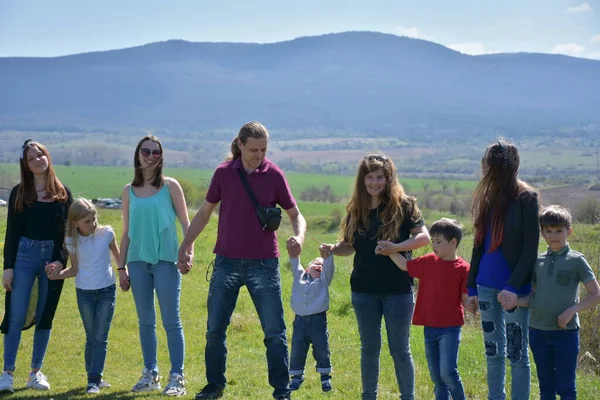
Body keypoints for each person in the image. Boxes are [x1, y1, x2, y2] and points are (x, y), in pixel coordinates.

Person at [178, 121, 306, 400]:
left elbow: (296, 215)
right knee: (214, 330)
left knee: (274, 332)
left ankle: (282, 391)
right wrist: (186, 244)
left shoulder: (275, 175)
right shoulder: (223, 173)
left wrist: (300, 237)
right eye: (253, 149)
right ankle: (214, 385)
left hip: (264, 265)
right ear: (240, 145)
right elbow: (204, 212)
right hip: (226, 262)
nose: (259, 155)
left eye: (263, 150)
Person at [320, 154, 430, 400]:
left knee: (400, 350)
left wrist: (395, 247)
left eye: (379, 177)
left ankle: (407, 397)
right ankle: (368, 396)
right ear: (362, 180)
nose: (374, 182)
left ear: (388, 178)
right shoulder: (356, 209)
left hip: (398, 290)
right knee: (369, 349)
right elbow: (350, 246)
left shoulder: (405, 205)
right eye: (369, 177)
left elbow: (424, 238)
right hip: (363, 290)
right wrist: (332, 249)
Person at [466, 140, 540, 400]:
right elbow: (478, 245)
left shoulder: (526, 198)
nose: (485, 167)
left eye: (490, 164)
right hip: (485, 286)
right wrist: (471, 287)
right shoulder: (486, 199)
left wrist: (513, 287)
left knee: (517, 355)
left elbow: (531, 248)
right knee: (492, 351)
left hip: (514, 290)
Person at [118, 135, 190, 396]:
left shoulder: (170, 186)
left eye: (156, 152)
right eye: (146, 151)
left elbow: (185, 222)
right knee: (145, 321)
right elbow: (126, 232)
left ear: (161, 157)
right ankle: (151, 374)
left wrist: (187, 251)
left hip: (166, 261)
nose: (150, 156)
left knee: (171, 321)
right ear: (138, 154)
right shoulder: (128, 191)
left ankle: (177, 377)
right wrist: (121, 267)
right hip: (137, 262)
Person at [0, 139, 73, 394]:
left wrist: (60, 261)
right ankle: (7, 373)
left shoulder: (63, 193)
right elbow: (11, 233)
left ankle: (35, 373)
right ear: (26, 165)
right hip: (24, 255)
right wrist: (7, 267)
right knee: (16, 314)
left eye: (40, 154)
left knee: (45, 315)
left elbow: (66, 234)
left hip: (52, 259)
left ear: (47, 156)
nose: (37, 160)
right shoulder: (19, 192)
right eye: (32, 158)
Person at [513, 205, 600, 400]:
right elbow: (534, 298)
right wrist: (514, 301)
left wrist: (572, 310)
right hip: (537, 332)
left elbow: (596, 294)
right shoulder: (537, 261)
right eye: (549, 231)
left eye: (559, 231)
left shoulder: (577, 261)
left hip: (565, 334)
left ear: (568, 231)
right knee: (546, 389)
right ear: (542, 233)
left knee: (567, 387)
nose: (554, 236)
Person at [45, 198, 129, 394]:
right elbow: (74, 269)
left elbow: (118, 258)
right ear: (75, 223)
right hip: (84, 293)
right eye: (87, 221)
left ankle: (93, 380)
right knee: (91, 336)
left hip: (107, 291)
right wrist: (57, 275)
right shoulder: (70, 241)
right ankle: (94, 376)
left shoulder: (107, 233)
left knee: (100, 337)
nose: (92, 224)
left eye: (94, 219)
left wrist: (124, 273)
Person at [381, 218, 470, 400]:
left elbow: (465, 299)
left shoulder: (463, 269)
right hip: (430, 328)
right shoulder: (428, 261)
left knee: (448, 373)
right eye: (433, 241)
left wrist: (473, 305)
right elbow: (405, 265)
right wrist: (389, 250)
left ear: (453, 242)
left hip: (450, 328)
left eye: (438, 242)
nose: (433, 246)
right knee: (437, 377)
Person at [288, 254, 335, 393]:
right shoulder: (299, 277)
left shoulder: (323, 281)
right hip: (300, 321)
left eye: (322, 265)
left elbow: (329, 268)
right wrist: (294, 253)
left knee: (321, 348)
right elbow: (295, 264)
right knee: (297, 348)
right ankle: (297, 376)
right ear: (307, 268)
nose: (319, 266)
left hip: (318, 321)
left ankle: (325, 376)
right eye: (316, 263)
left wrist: (328, 256)